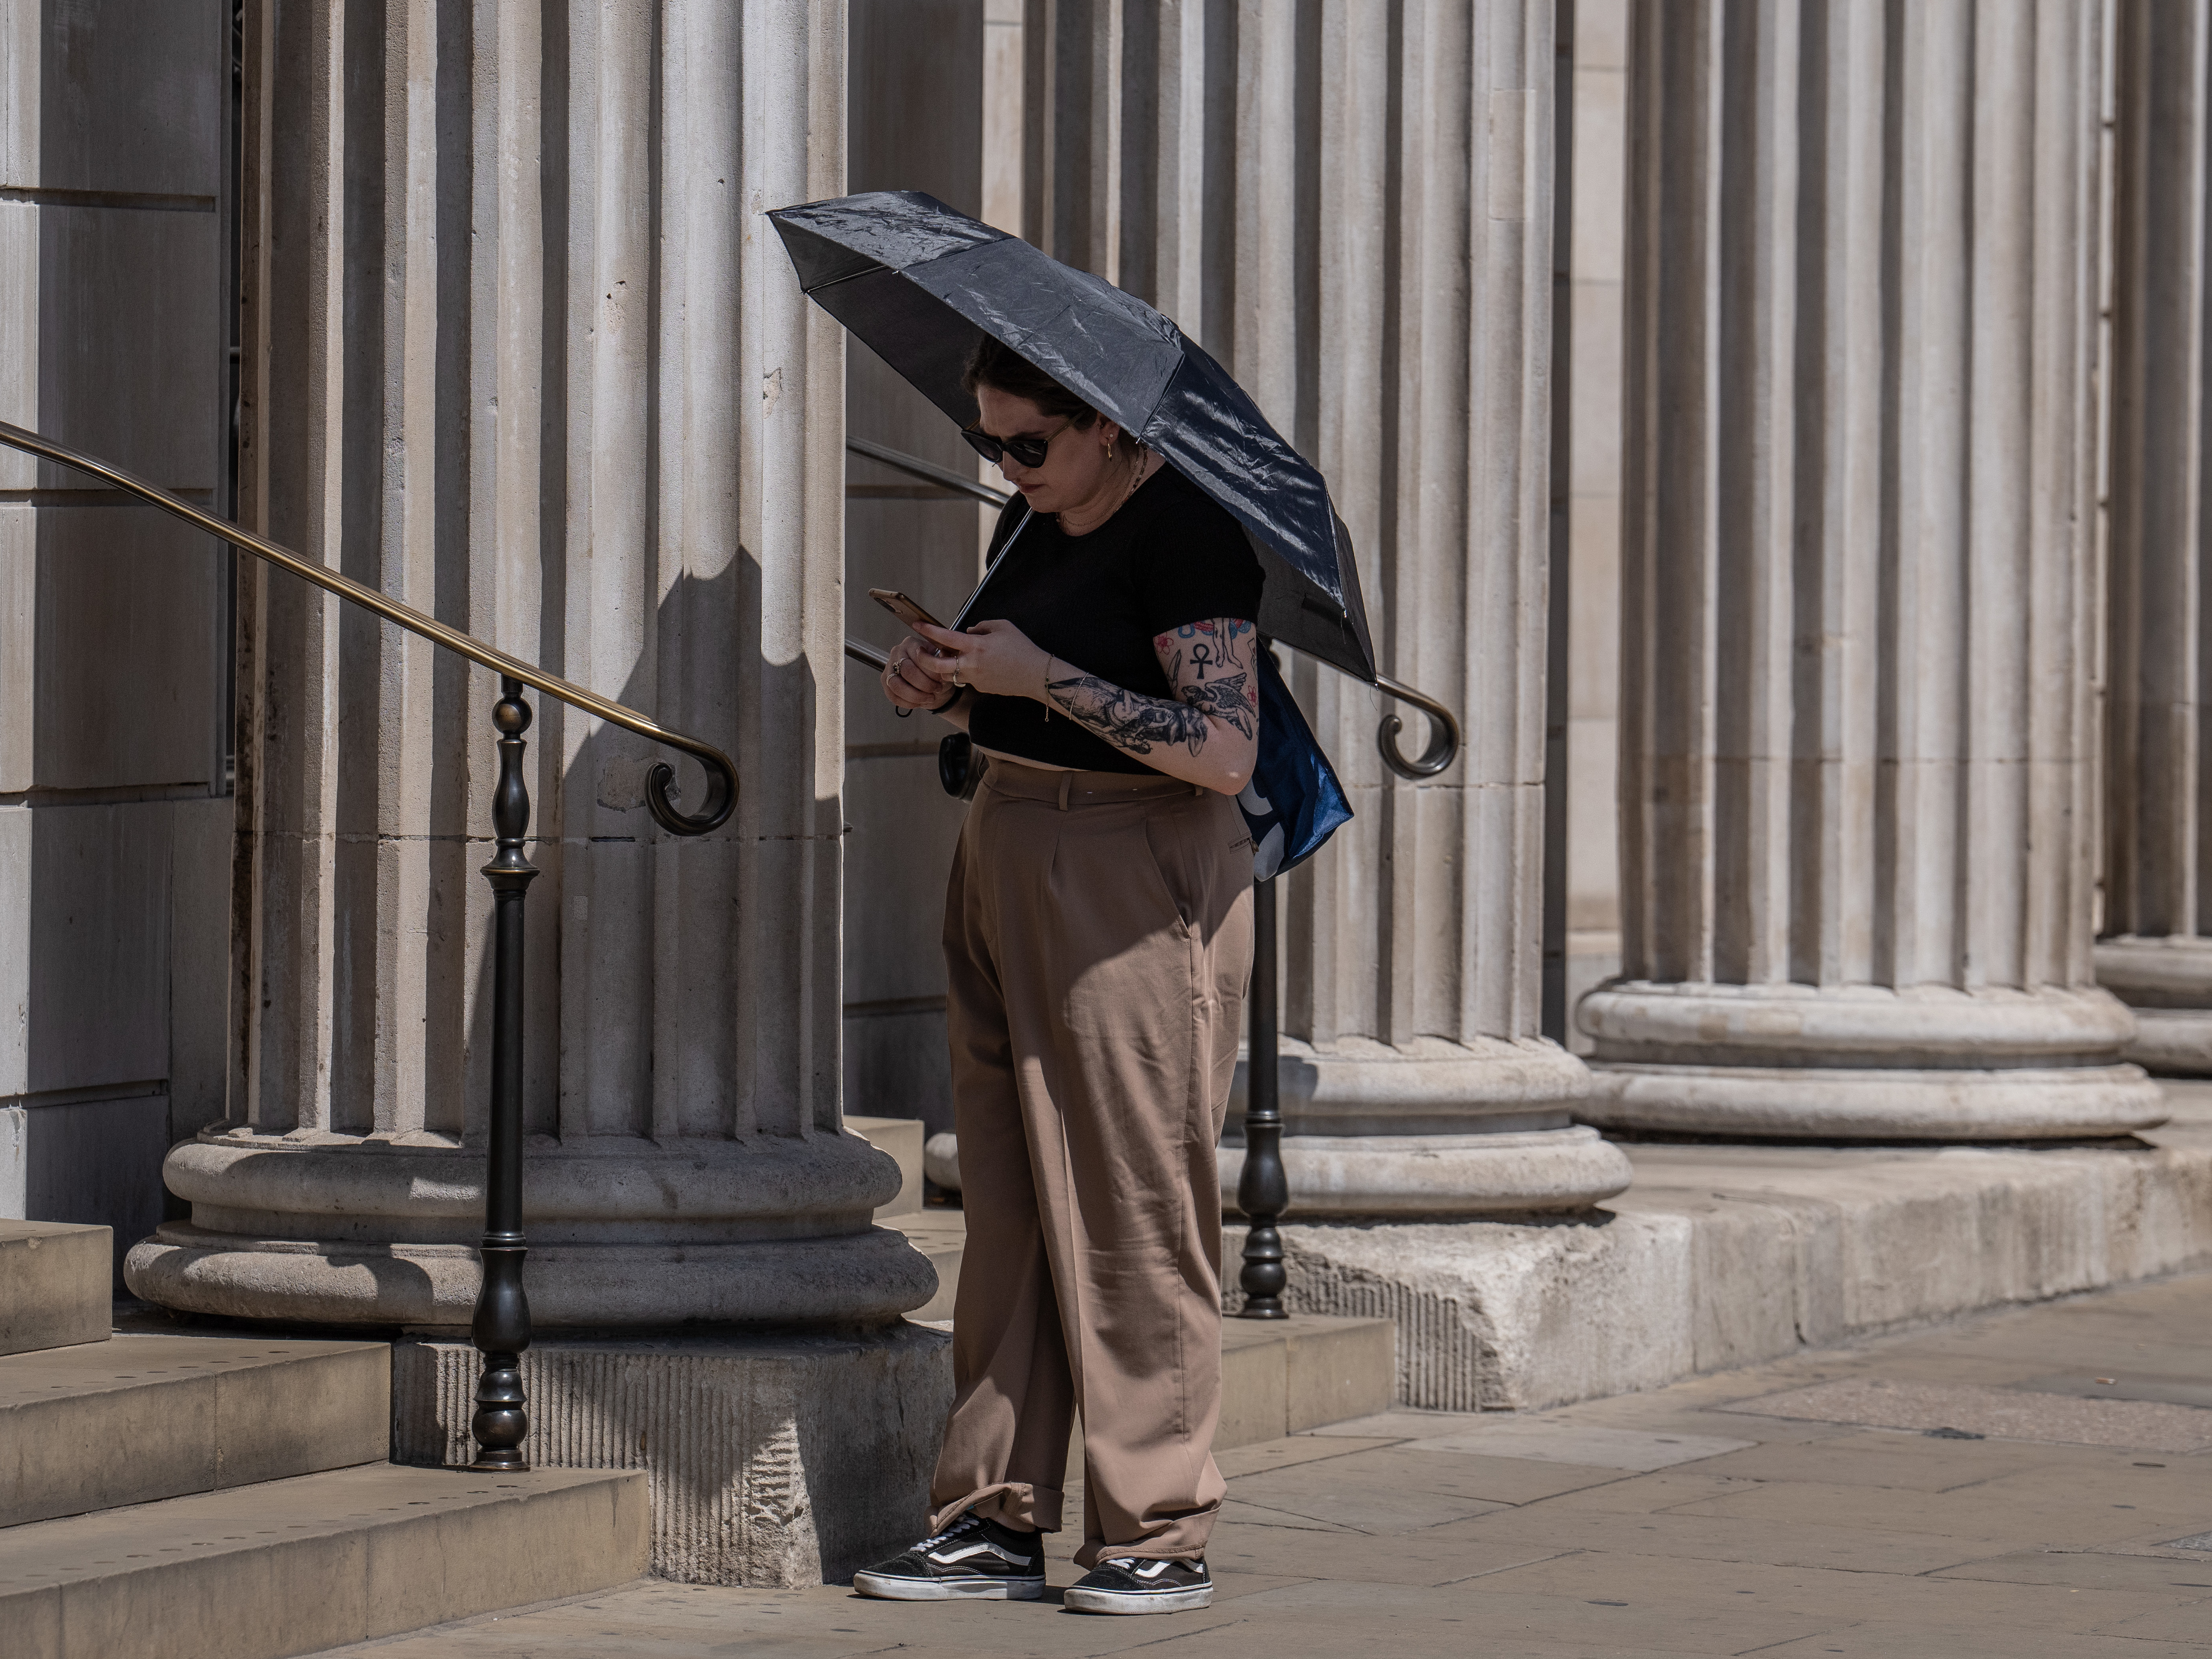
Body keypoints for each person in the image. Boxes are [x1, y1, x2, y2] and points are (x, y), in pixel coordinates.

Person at [852, 335, 1261, 1616]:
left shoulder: (1187, 529)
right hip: (1008, 843)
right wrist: (951, 684)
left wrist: (1045, 677)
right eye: (988, 441)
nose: (1008, 464)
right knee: (1012, 1200)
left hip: (1131, 866)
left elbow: (1223, 749)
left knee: (1136, 1200)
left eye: (1029, 442)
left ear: (1104, 423)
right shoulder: (1033, 525)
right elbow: (1016, 694)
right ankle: (993, 1515)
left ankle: (1160, 1525)